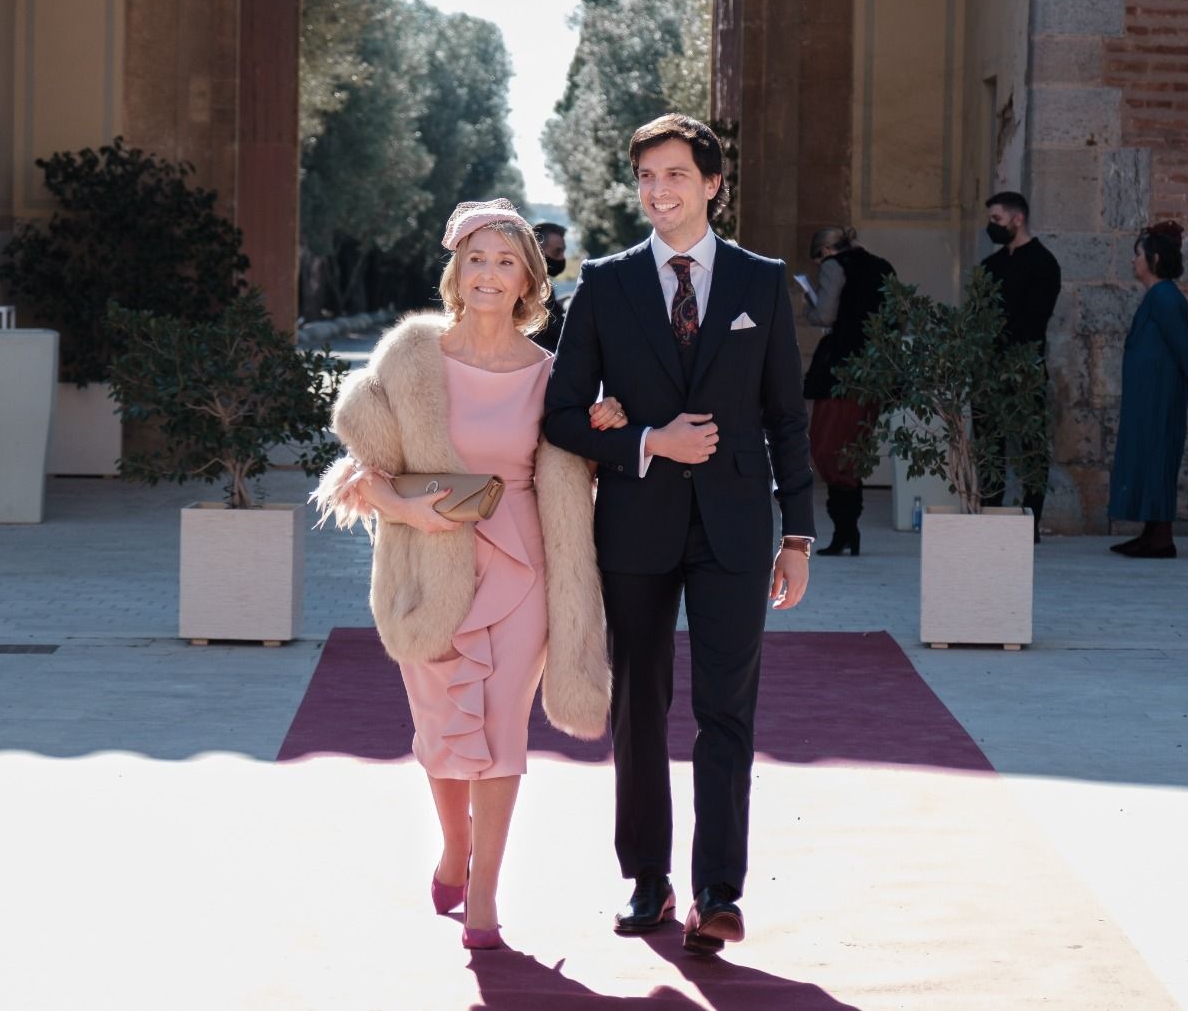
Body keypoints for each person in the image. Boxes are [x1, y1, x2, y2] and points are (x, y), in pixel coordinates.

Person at [314, 198, 627, 950]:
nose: (489, 274)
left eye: (505, 261)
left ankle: (484, 892)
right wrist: (410, 513)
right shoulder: (411, 358)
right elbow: (362, 471)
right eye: (476, 259)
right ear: (458, 270)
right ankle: (454, 849)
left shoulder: (553, 374)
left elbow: (573, 462)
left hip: (522, 567)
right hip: (429, 563)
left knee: (500, 728)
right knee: (438, 725)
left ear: (530, 278)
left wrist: (605, 426)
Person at [544, 113, 815, 955]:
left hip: (736, 527)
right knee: (640, 708)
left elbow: (785, 416)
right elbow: (560, 413)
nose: (658, 191)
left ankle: (717, 892)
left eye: (674, 175)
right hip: (635, 521)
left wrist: (798, 535)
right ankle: (648, 881)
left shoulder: (760, 283)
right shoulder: (605, 282)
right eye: (647, 177)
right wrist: (645, 442)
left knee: (726, 709)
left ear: (712, 184)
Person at [1107, 221, 1188, 558]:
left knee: (1156, 456)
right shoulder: (1157, 297)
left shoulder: (1166, 297)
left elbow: (1182, 345)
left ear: (1153, 258)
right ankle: (1151, 531)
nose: (1133, 261)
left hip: (1159, 395)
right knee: (1146, 455)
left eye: (1138, 254)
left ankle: (1161, 537)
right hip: (1147, 395)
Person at [802, 225, 896, 556]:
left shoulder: (833, 266)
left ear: (826, 251)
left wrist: (809, 306)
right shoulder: (883, 266)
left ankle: (845, 530)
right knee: (852, 449)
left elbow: (824, 314)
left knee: (827, 447)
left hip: (841, 367)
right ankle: (847, 531)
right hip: (873, 367)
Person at [977, 191, 1061, 542]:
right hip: (988, 371)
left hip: (1024, 369)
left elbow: (1035, 319)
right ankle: (989, 514)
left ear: (1017, 219)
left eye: (996, 220)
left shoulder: (1043, 263)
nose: (991, 227)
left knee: (1031, 446)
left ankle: (1032, 523)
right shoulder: (991, 267)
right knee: (989, 445)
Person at [529, 222, 568, 352]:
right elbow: (556, 328)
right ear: (538, 250)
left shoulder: (541, 282)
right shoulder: (533, 284)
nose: (562, 258)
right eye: (557, 251)